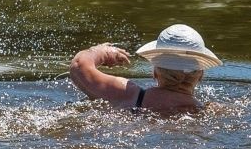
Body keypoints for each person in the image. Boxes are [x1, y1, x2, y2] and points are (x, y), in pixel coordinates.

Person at [69, 24, 222, 115]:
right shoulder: (209, 111)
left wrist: (102, 51)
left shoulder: (128, 94)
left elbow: (79, 66)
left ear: (155, 72)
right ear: (200, 75)